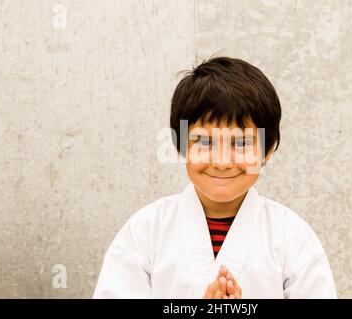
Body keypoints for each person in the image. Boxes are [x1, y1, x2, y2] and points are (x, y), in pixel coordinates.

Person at [93, 56, 337, 298]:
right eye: (205, 141)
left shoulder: (292, 237)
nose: (221, 162)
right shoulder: (145, 232)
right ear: (181, 145)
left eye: (241, 143)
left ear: (268, 150)